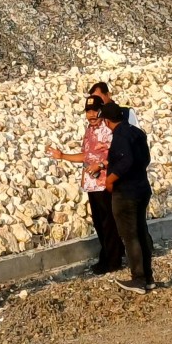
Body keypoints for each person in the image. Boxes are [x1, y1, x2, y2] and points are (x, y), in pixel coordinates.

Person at [46, 95, 125, 275]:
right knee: (99, 223)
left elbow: (117, 154)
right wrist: (62, 156)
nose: (91, 114)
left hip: (106, 182)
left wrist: (102, 165)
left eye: (94, 110)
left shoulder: (109, 129)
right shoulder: (89, 130)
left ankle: (112, 261)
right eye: (88, 111)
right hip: (91, 184)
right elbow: (85, 155)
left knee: (109, 223)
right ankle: (108, 256)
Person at [101, 103, 155, 294]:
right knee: (141, 232)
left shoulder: (120, 136)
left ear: (107, 121)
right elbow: (145, 159)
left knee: (130, 236)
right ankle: (148, 278)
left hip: (126, 193)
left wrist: (110, 179)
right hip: (142, 188)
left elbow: (126, 160)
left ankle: (138, 279)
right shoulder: (137, 132)